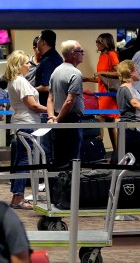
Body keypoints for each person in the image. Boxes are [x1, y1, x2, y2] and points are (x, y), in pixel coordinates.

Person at [5, 50, 47, 209]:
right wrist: (51, 111)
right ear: (19, 65)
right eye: (26, 63)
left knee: (20, 159)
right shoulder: (20, 81)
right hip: (27, 122)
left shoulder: (14, 81)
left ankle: (17, 195)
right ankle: (18, 197)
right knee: (24, 160)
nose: (29, 65)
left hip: (22, 122)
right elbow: (33, 105)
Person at [47, 40, 85, 170]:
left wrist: (52, 117)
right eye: (80, 51)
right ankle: (71, 189)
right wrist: (58, 119)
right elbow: (69, 101)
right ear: (73, 54)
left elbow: (50, 98)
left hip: (59, 118)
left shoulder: (55, 71)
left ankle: (59, 188)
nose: (83, 53)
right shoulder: (75, 73)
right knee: (73, 159)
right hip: (70, 120)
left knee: (60, 158)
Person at [34, 29, 63, 107]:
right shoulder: (54, 56)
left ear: (44, 42)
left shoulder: (49, 61)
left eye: (39, 39)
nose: (37, 42)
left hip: (48, 107)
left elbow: (47, 87)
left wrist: (31, 90)